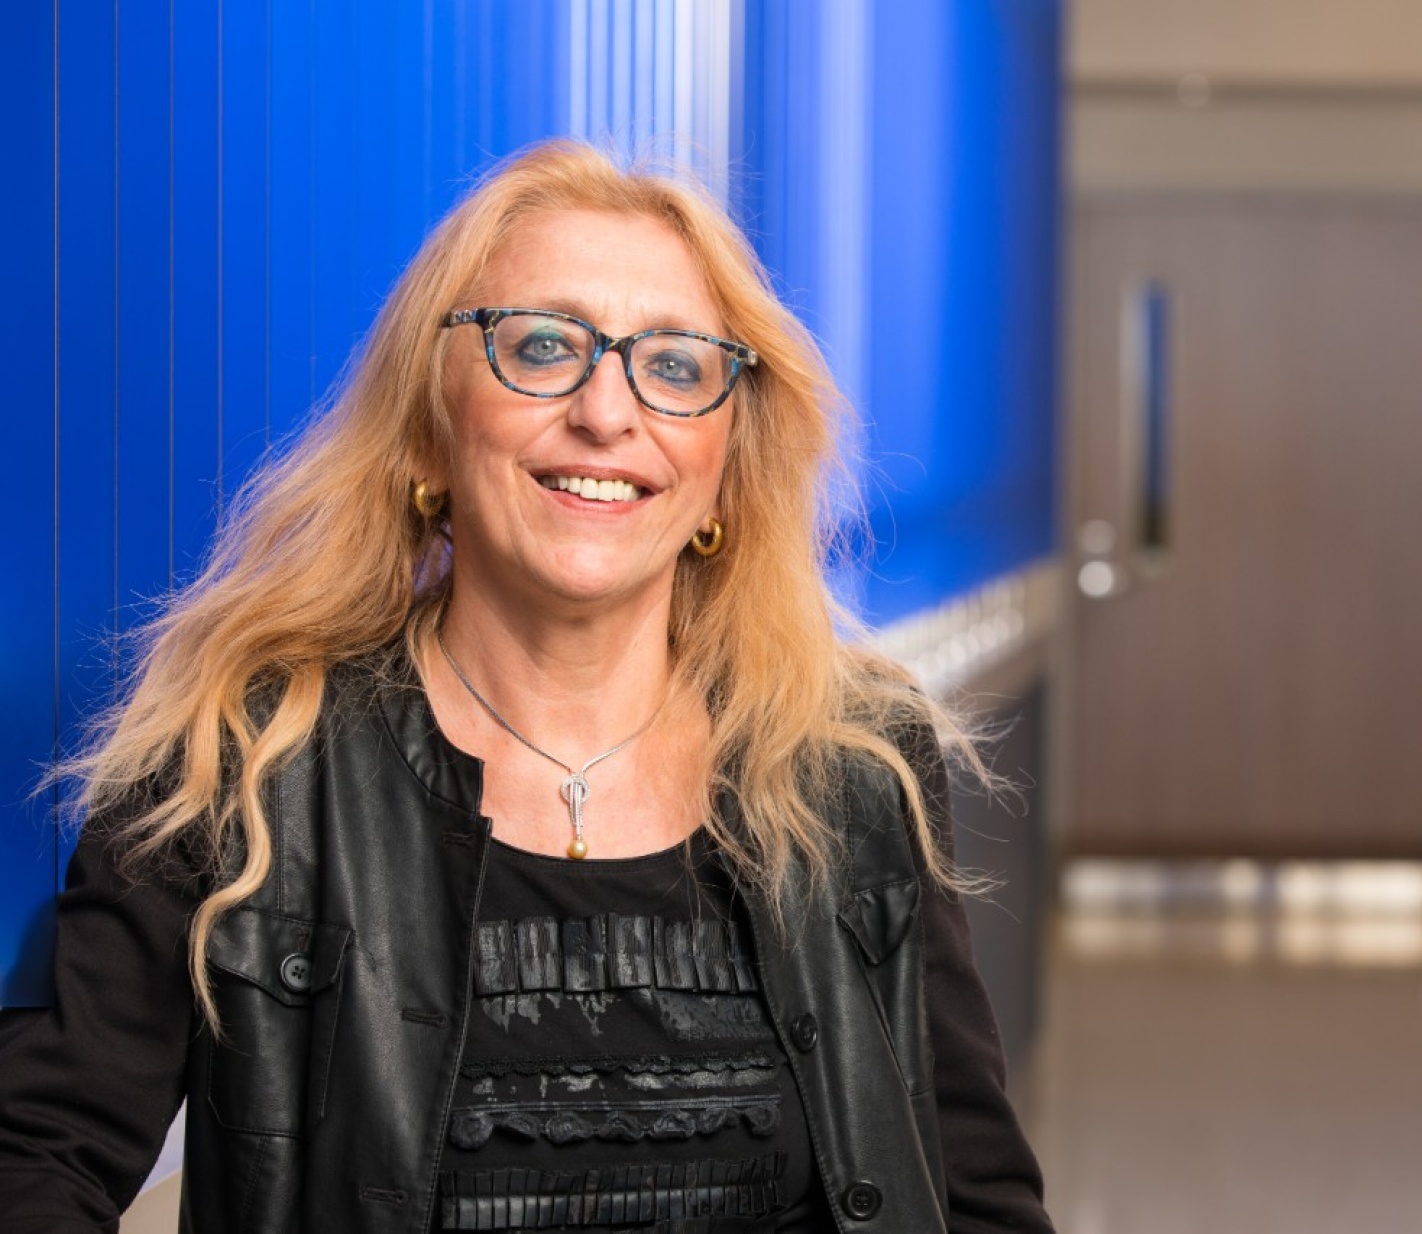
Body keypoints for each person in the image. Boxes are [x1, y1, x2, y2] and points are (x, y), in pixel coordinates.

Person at [0, 139, 1053, 1234]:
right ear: (428, 434)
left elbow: (976, 1191)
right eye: (542, 346)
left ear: (723, 469)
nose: (608, 411)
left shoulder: (852, 774)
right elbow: (37, 1157)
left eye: (677, 364)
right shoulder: (245, 762)